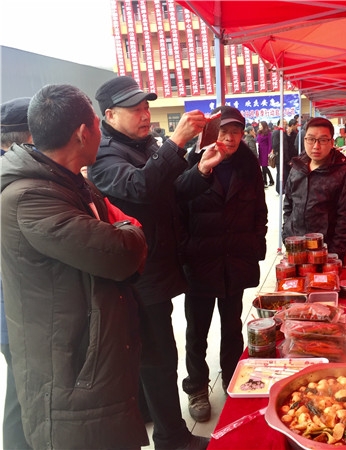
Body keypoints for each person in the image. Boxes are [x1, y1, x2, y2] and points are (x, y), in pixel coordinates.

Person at [1, 84, 149, 449]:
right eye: (97, 125)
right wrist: (130, 229)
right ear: (84, 133)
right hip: (69, 358)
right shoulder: (31, 197)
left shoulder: (69, 181)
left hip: (91, 344)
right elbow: (122, 253)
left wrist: (119, 227)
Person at [88, 76, 209, 450]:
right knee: (159, 356)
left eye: (146, 108)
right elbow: (140, 187)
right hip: (138, 273)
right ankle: (172, 438)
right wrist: (177, 142)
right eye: (136, 110)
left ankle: (147, 412)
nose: (145, 115)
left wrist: (201, 170)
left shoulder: (145, 146)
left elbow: (171, 193)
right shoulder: (105, 155)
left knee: (152, 352)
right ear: (110, 115)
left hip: (157, 266)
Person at [176, 105, 267, 423]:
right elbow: (178, 208)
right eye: (224, 131)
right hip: (201, 262)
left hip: (235, 260)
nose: (230, 138)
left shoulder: (249, 165)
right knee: (196, 332)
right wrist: (185, 251)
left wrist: (255, 245)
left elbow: (259, 210)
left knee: (232, 327)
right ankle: (197, 387)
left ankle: (232, 378)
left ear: (243, 134)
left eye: (236, 132)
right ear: (213, 132)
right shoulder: (193, 162)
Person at [0, 97, 32, 450]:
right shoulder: (14, 180)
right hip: (16, 311)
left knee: (20, 392)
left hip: (14, 311)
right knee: (24, 397)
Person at [282, 117, 346, 261]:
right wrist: (287, 233)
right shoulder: (297, 167)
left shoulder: (343, 172)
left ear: (332, 142)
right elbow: (288, 206)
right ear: (304, 140)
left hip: (326, 253)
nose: (316, 146)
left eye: (323, 140)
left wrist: (335, 254)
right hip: (296, 249)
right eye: (311, 139)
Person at [256, 120, 274, 186]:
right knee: (263, 167)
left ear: (264, 125)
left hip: (265, 151)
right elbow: (257, 141)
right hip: (260, 151)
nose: (259, 126)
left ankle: (270, 180)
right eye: (259, 125)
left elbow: (270, 143)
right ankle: (265, 181)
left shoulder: (268, 133)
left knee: (264, 166)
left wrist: (269, 152)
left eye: (260, 125)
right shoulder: (259, 132)